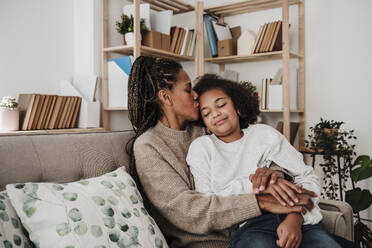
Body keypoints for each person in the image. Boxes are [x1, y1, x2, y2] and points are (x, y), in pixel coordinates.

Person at [126, 55, 317, 248]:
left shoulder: (202, 128)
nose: (195, 96)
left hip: (256, 225)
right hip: (209, 241)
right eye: (187, 89)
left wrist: (275, 174)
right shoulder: (148, 146)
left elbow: (249, 146)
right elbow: (189, 212)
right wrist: (260, 202)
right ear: (166, 97)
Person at [186, 74, 341, 248]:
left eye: (221, 105)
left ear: (237, 106)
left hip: (297, 219)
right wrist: (256, 185)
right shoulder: (202, 148)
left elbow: (306, 177)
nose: (216, 114)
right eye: (206, 113)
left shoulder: (265, 135)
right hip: (250, 225)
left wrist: (295, 219)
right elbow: (208, 203)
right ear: (205, 123)